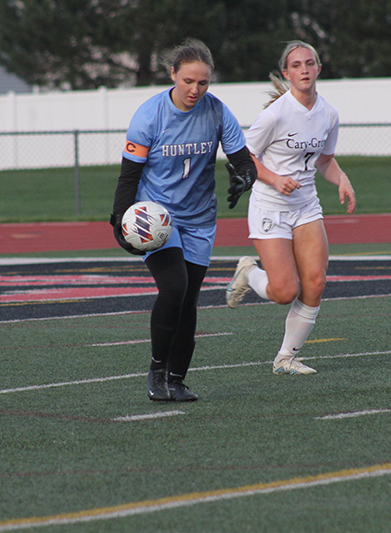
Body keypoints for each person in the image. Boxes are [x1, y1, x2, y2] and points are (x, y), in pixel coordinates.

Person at [111, 39, 256, 402]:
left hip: (200, 220)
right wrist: (119, 221)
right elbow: (129, 176)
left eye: (203, 83)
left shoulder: (218, 112)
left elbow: (244, 161)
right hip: (158, 218)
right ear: (172, 74)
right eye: (188, 81)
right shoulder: (150, 115)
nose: (195, 89)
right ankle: (156, 371)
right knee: (173, 288)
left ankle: (177, 379)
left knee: (188, 301)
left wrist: (244, 178)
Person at [226, 40, 356, 375]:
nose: (304, 70)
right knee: (285, 291)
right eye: (296, 65)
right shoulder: (275, 113)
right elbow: (243, 156)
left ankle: (286, 358)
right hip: (270, 205)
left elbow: (324, 160)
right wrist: (272, 178)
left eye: (309, 64)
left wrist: (341, 178)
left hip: (306, 204)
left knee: (315, 282)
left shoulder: (329, 113)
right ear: (287, 73)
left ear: (318, 69)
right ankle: (248, 272)